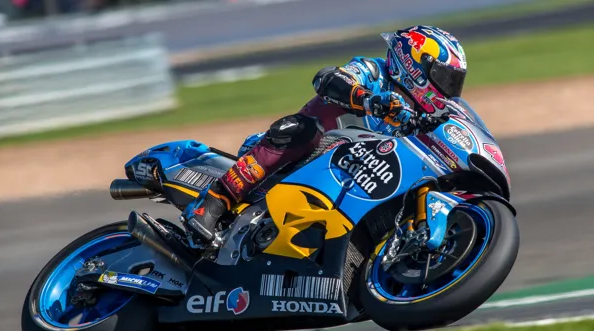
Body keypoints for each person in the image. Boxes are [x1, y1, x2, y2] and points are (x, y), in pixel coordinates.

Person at [182, 25, 468, 243]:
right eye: (445, 78)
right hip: (304, 156)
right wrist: (369, 100)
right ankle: (214, 202)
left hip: (354, 181)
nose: (449, 89)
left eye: (454, 82)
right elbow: (327, 78)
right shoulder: (374, 71)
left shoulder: (423, 115)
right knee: (300, 129)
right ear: (413, 64)